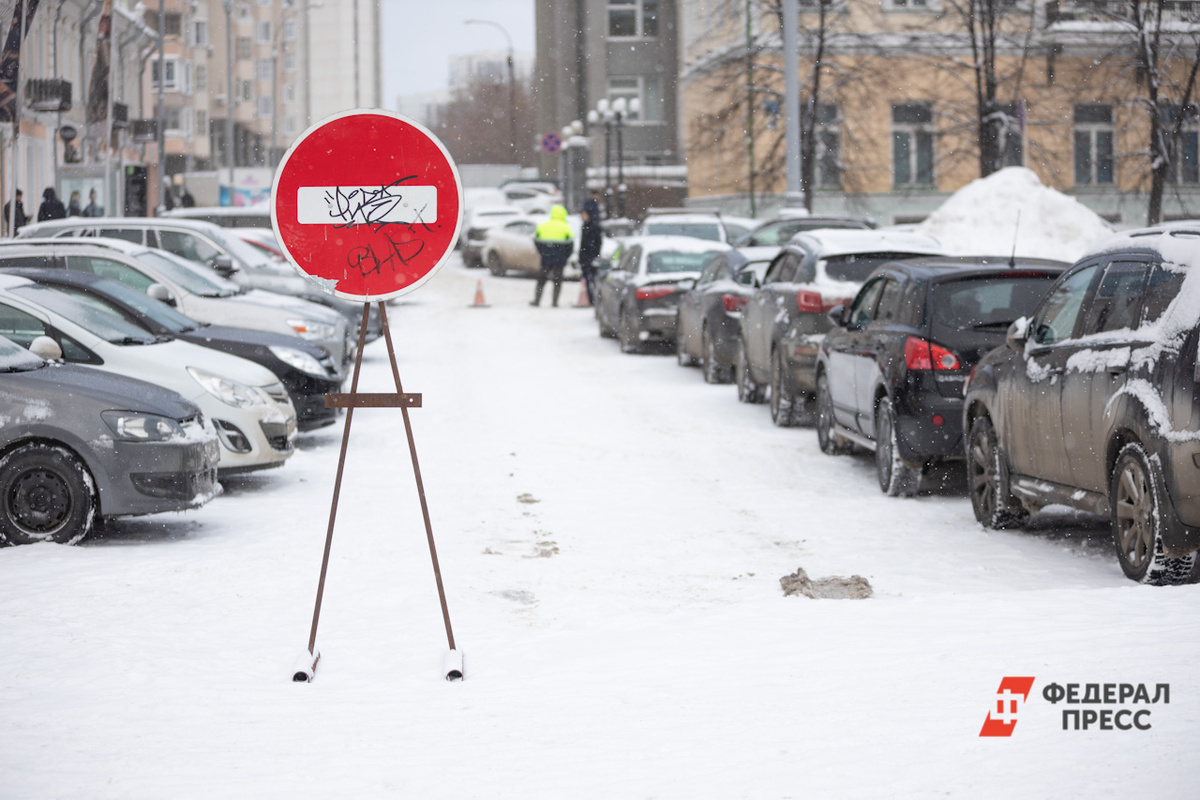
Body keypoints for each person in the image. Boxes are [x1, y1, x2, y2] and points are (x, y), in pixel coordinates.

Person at [531, 204, 574, 307]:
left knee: (541, 280)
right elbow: (570, 245)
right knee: (557, 281)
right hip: (559, 260)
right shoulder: (566, 227)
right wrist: (565, 256)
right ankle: (555, 302)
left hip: (546, 259)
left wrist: (543, 252)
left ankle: (537, 300)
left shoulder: (543, 226)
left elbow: (536, 241)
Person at [579, 188, 604, 305]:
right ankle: (591, 299)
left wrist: (587, 256)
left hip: (589, 257)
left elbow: (589, 244)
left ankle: (592, 299)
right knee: (591, 279)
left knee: (590, 279)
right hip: (589, 257)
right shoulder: (590, 226)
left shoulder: (590, 228)